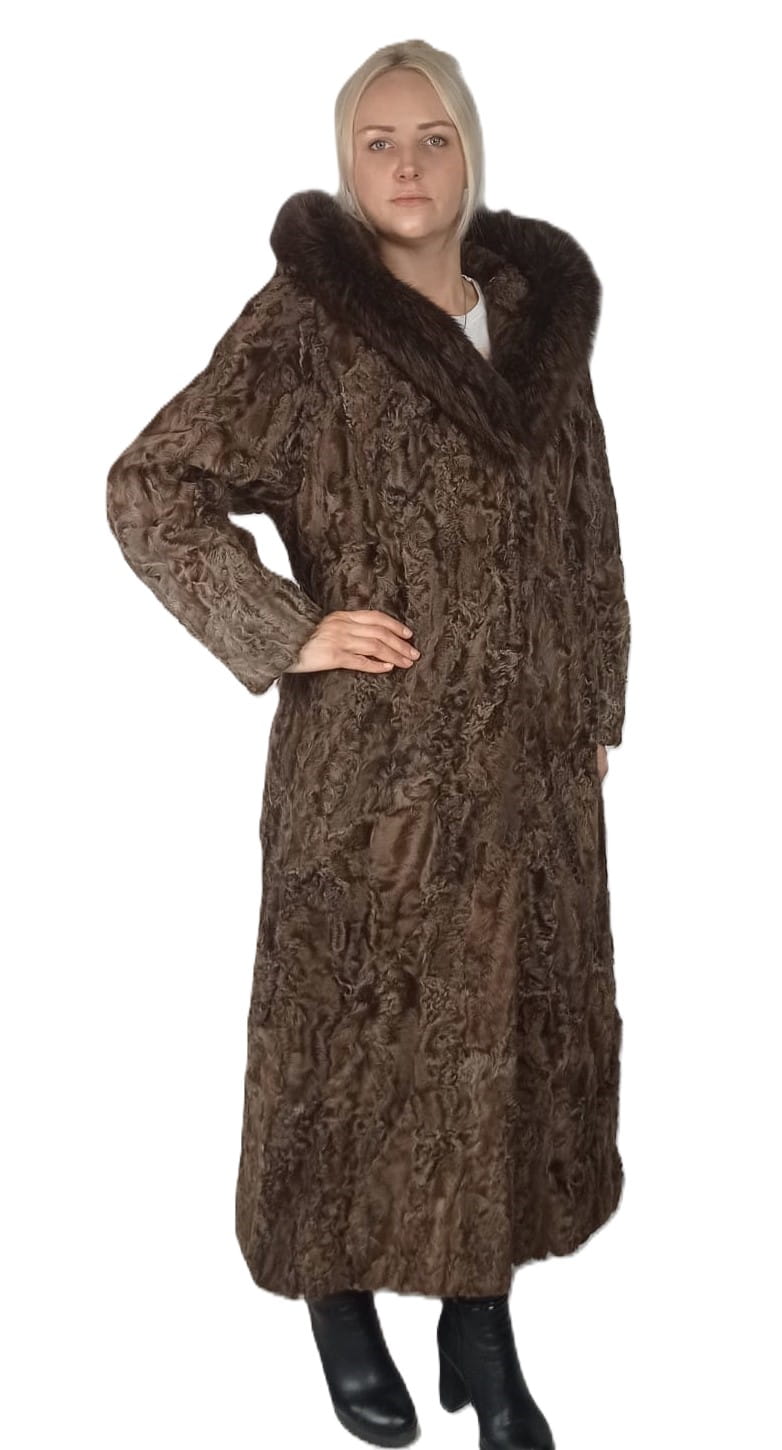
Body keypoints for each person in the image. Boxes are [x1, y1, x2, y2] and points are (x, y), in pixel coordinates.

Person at [106, 37, 631, 1450]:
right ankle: (336, 1293)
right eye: (378, 141)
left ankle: (478, 1318)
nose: (407, 165)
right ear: (348, 164)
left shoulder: (534, 328)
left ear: (469, 155)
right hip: (374, 767)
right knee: (351, 1035)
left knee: (505, 1036)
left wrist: (592, 704)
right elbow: (152, 485)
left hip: (528, 774)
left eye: (432, 138)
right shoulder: (307, 324)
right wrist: (289, 628)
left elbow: (587, 522)